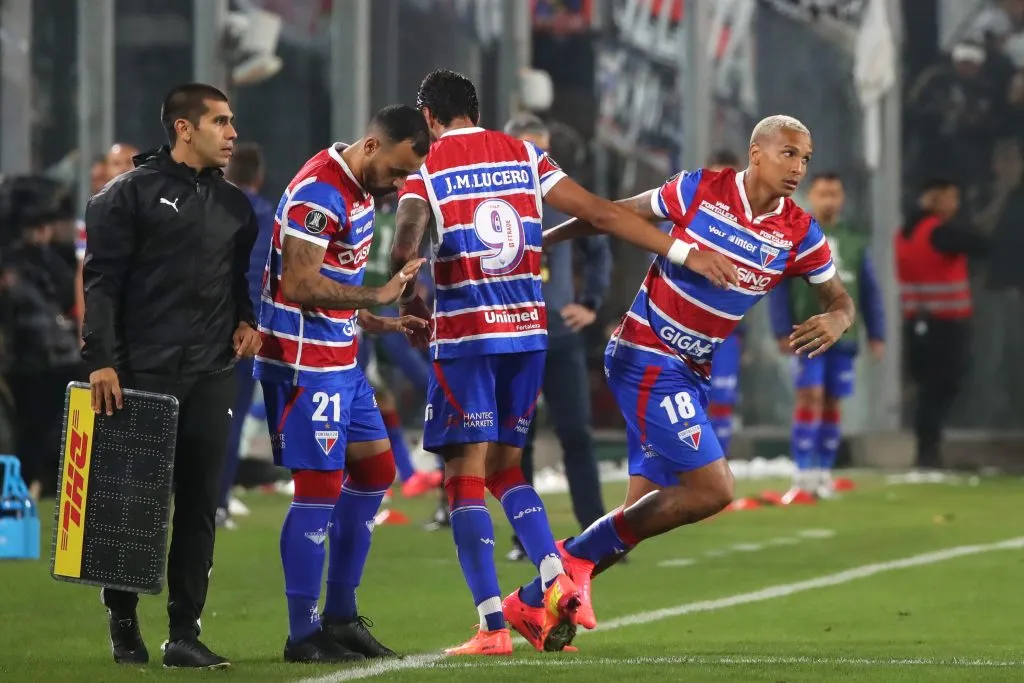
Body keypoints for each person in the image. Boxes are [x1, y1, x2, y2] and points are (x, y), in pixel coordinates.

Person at [391, 69, 721, 655]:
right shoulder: (524, 154)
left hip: (467, 339)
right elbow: (599, 213)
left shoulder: (428, 166)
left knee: (465, 479)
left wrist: (409, 286)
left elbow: (407, 236)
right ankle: (557, 578)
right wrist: (680, 249)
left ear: (428, 116)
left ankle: (493, 628)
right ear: (476, 108)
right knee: (507, 471)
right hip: (528, 335)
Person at [532, 115, 855, 644]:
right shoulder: (700, 189)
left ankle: (537, 603)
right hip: (646, 355)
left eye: (805, 158)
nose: (798, 167)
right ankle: (567, 559)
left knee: (640, 514)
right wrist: (546, 240)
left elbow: (838, 297)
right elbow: (612, 215)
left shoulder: (798, 231)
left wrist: (838, 318)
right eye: (788, 154)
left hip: (690, 370)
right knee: (712, 488)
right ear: (756, 153)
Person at [82, 83, 262, 668]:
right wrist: (103, 360)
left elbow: (236, 281)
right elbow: (102, 282)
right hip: (140, 374)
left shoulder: (236, 206)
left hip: (210, 373)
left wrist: (246, 319)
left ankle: (184, 632)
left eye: (232, 122)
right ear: (185, 129)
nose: (232, 133)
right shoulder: (124, 196)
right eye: (221, 122)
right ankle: (123, 620)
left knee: (200, 505)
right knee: (131, 507)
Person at [254, 104, 431, 663]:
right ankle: (303, 634)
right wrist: (378, 295)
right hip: (304, 364)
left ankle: (341, 615)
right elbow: (301, 283)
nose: (399, 185)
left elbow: (334, 280)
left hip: (341, 357)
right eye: (397, 171)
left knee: (377, 471)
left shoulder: (358, 190)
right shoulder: (320, 192)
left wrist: (374, 320)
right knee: (319, 490)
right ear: (374, 146)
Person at [502, 113, 609, 563]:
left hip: (560, 336)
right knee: (515, 440)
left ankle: (597, 533)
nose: (536, 158)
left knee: (576, 434)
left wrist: (591, 302)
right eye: (528, 148)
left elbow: (599, 245)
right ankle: (527, 539)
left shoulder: (562, 196)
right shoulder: (494, 198)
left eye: (541, 149)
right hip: (511, 335)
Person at [769, 172, 885, 500]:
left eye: (835, 193)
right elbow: (778, 285)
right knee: (810, 397)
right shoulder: (794, 234)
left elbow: (869, 289)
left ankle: (823, 472)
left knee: (833, 399)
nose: (829, 200)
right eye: (823, 193)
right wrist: (780, 328)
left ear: (842, 198)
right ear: (811, 196)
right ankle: (802, 474)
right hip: (806, 332)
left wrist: (877, 332)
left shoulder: (854, 239)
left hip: (845, 335)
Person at [895, 178, 989, 469]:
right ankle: (928, 452)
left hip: (917, 324)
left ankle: (927, 450)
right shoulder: (939, 232)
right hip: (945, 327)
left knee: (927, 389)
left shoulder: (905, 232)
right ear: (934, 199)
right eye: (950, 198)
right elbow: (982, 245)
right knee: (942, 388)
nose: (954, 205)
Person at [357, 195, 442, 498]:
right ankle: (381, 474)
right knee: (420, 385)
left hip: (370, 311)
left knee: (379, 395)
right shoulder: (403, 219)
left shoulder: (361, 218)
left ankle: (405, 474)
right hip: (380, 312)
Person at [214, 142, 276, 530]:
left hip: (202, 326)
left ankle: (191, 498)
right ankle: (218, 503)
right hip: (247, 329)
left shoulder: (210, 205)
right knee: (230, 420)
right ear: (258, 177)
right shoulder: (268, 214)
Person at [703, 150, 746, 457]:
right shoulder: (687, 216)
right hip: (682, 329)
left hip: (727, 331)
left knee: (722, 398)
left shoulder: (753, 226)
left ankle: (718, 469)